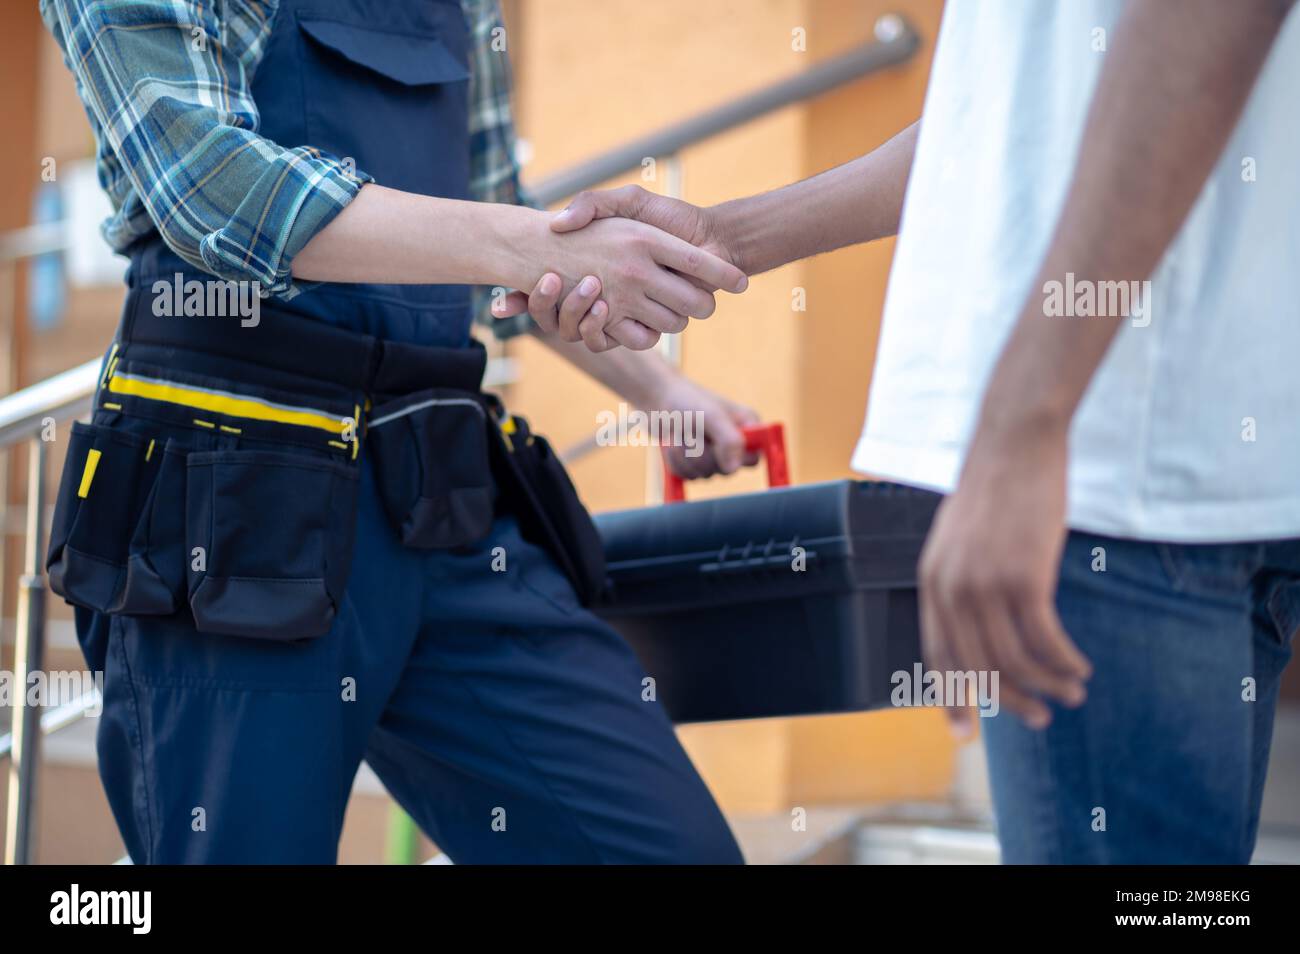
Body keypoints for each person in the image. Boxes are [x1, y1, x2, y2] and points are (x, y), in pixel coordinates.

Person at [505, 0, 1300, 863]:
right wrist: (723, 235)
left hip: (1105, 465)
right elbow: (999, 119)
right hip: (1182, 449)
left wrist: (1021, 429)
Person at [41, 0, 750, 863]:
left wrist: (664, 390)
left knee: (663, 847)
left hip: (442, 498)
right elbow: (206, 180)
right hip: (233, 507)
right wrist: (524, 245)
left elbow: (492, 205)